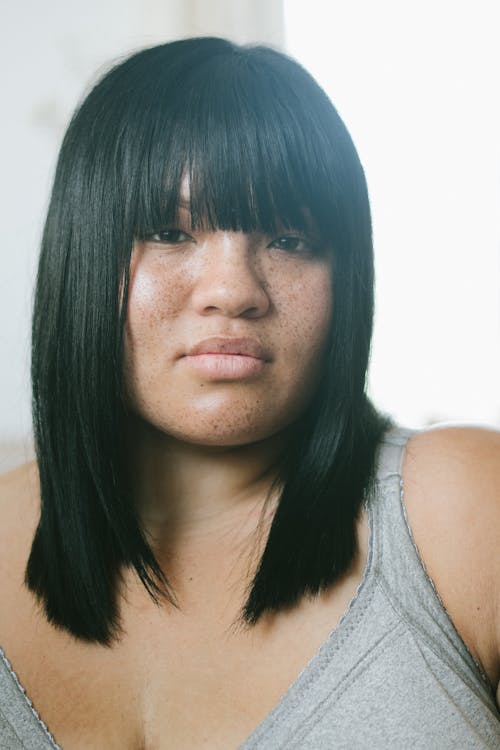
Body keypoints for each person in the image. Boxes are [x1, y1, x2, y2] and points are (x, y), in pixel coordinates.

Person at [0, 36, 498, 750]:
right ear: (80, 255)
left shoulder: (467, 513)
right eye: (169, 231)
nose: (233, 291)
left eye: (290, 239)